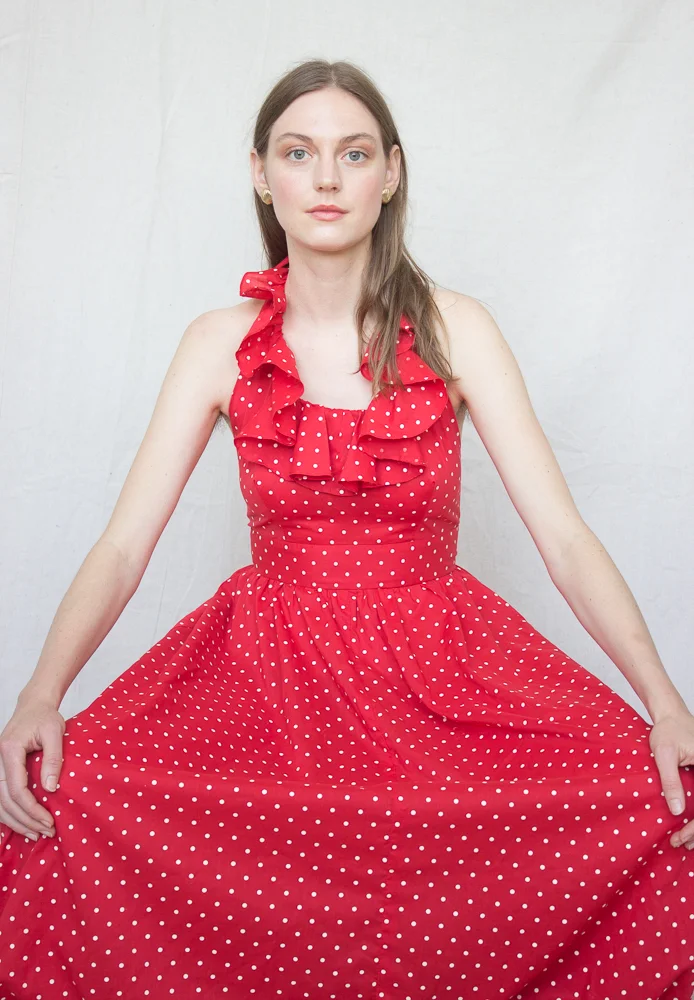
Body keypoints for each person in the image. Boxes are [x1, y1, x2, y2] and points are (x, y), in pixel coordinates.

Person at [1, 58, 693, 1000]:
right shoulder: (218, 342)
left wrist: (664, 700)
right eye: (300, 152)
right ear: (261, 173)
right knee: (57, 796)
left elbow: (564, 539)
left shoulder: (459, 330)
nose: (326, 179)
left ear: (391, 173)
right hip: (265, 693)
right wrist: (42, 692)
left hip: (441, 685)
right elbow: (124, 548)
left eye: (353, 153)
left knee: (663, 802)